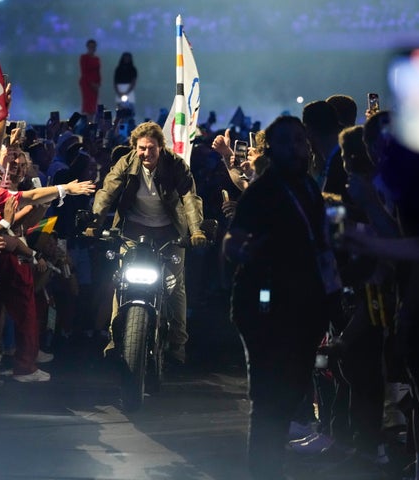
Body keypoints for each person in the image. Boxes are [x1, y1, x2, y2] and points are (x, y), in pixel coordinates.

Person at [222, 115, 343, 479]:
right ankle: (264, 470)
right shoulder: (263, 190)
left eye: (301, 141)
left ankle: (271, 464)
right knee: (269, 400)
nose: (296, 147)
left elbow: (322, 243)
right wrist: (242, 250)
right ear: (272, 149)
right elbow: (233, 241)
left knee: (289, 393)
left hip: (305, 307)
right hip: (265, 307)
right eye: (287, 141)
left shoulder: (307, 186)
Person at [86, 121, 207, 365]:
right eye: (142, 148)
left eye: (151, 148)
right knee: (120, 280)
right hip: (133, 231)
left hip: (169, 232)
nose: (146, 153)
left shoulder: (176, 165)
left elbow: (189, 197)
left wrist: (196, 231)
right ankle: (113, 338)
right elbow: (107, 192)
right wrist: (94, 224)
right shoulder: (126, 163)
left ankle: (177, 343)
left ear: (161, 147)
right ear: (135, 147)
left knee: (175, 284)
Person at [79, 39, 101, 122]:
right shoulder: (84, 58)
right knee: (87, 105)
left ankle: (92, 123)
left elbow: (98, 72)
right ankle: (86, 123)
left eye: (94, 46)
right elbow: (84, 71)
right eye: (90, 46)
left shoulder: (97, 59)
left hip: (95, 85)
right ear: (87, 47)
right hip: (86, 83)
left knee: (93, 106)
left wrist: (98, 84)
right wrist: (91, 83)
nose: (92, 48)